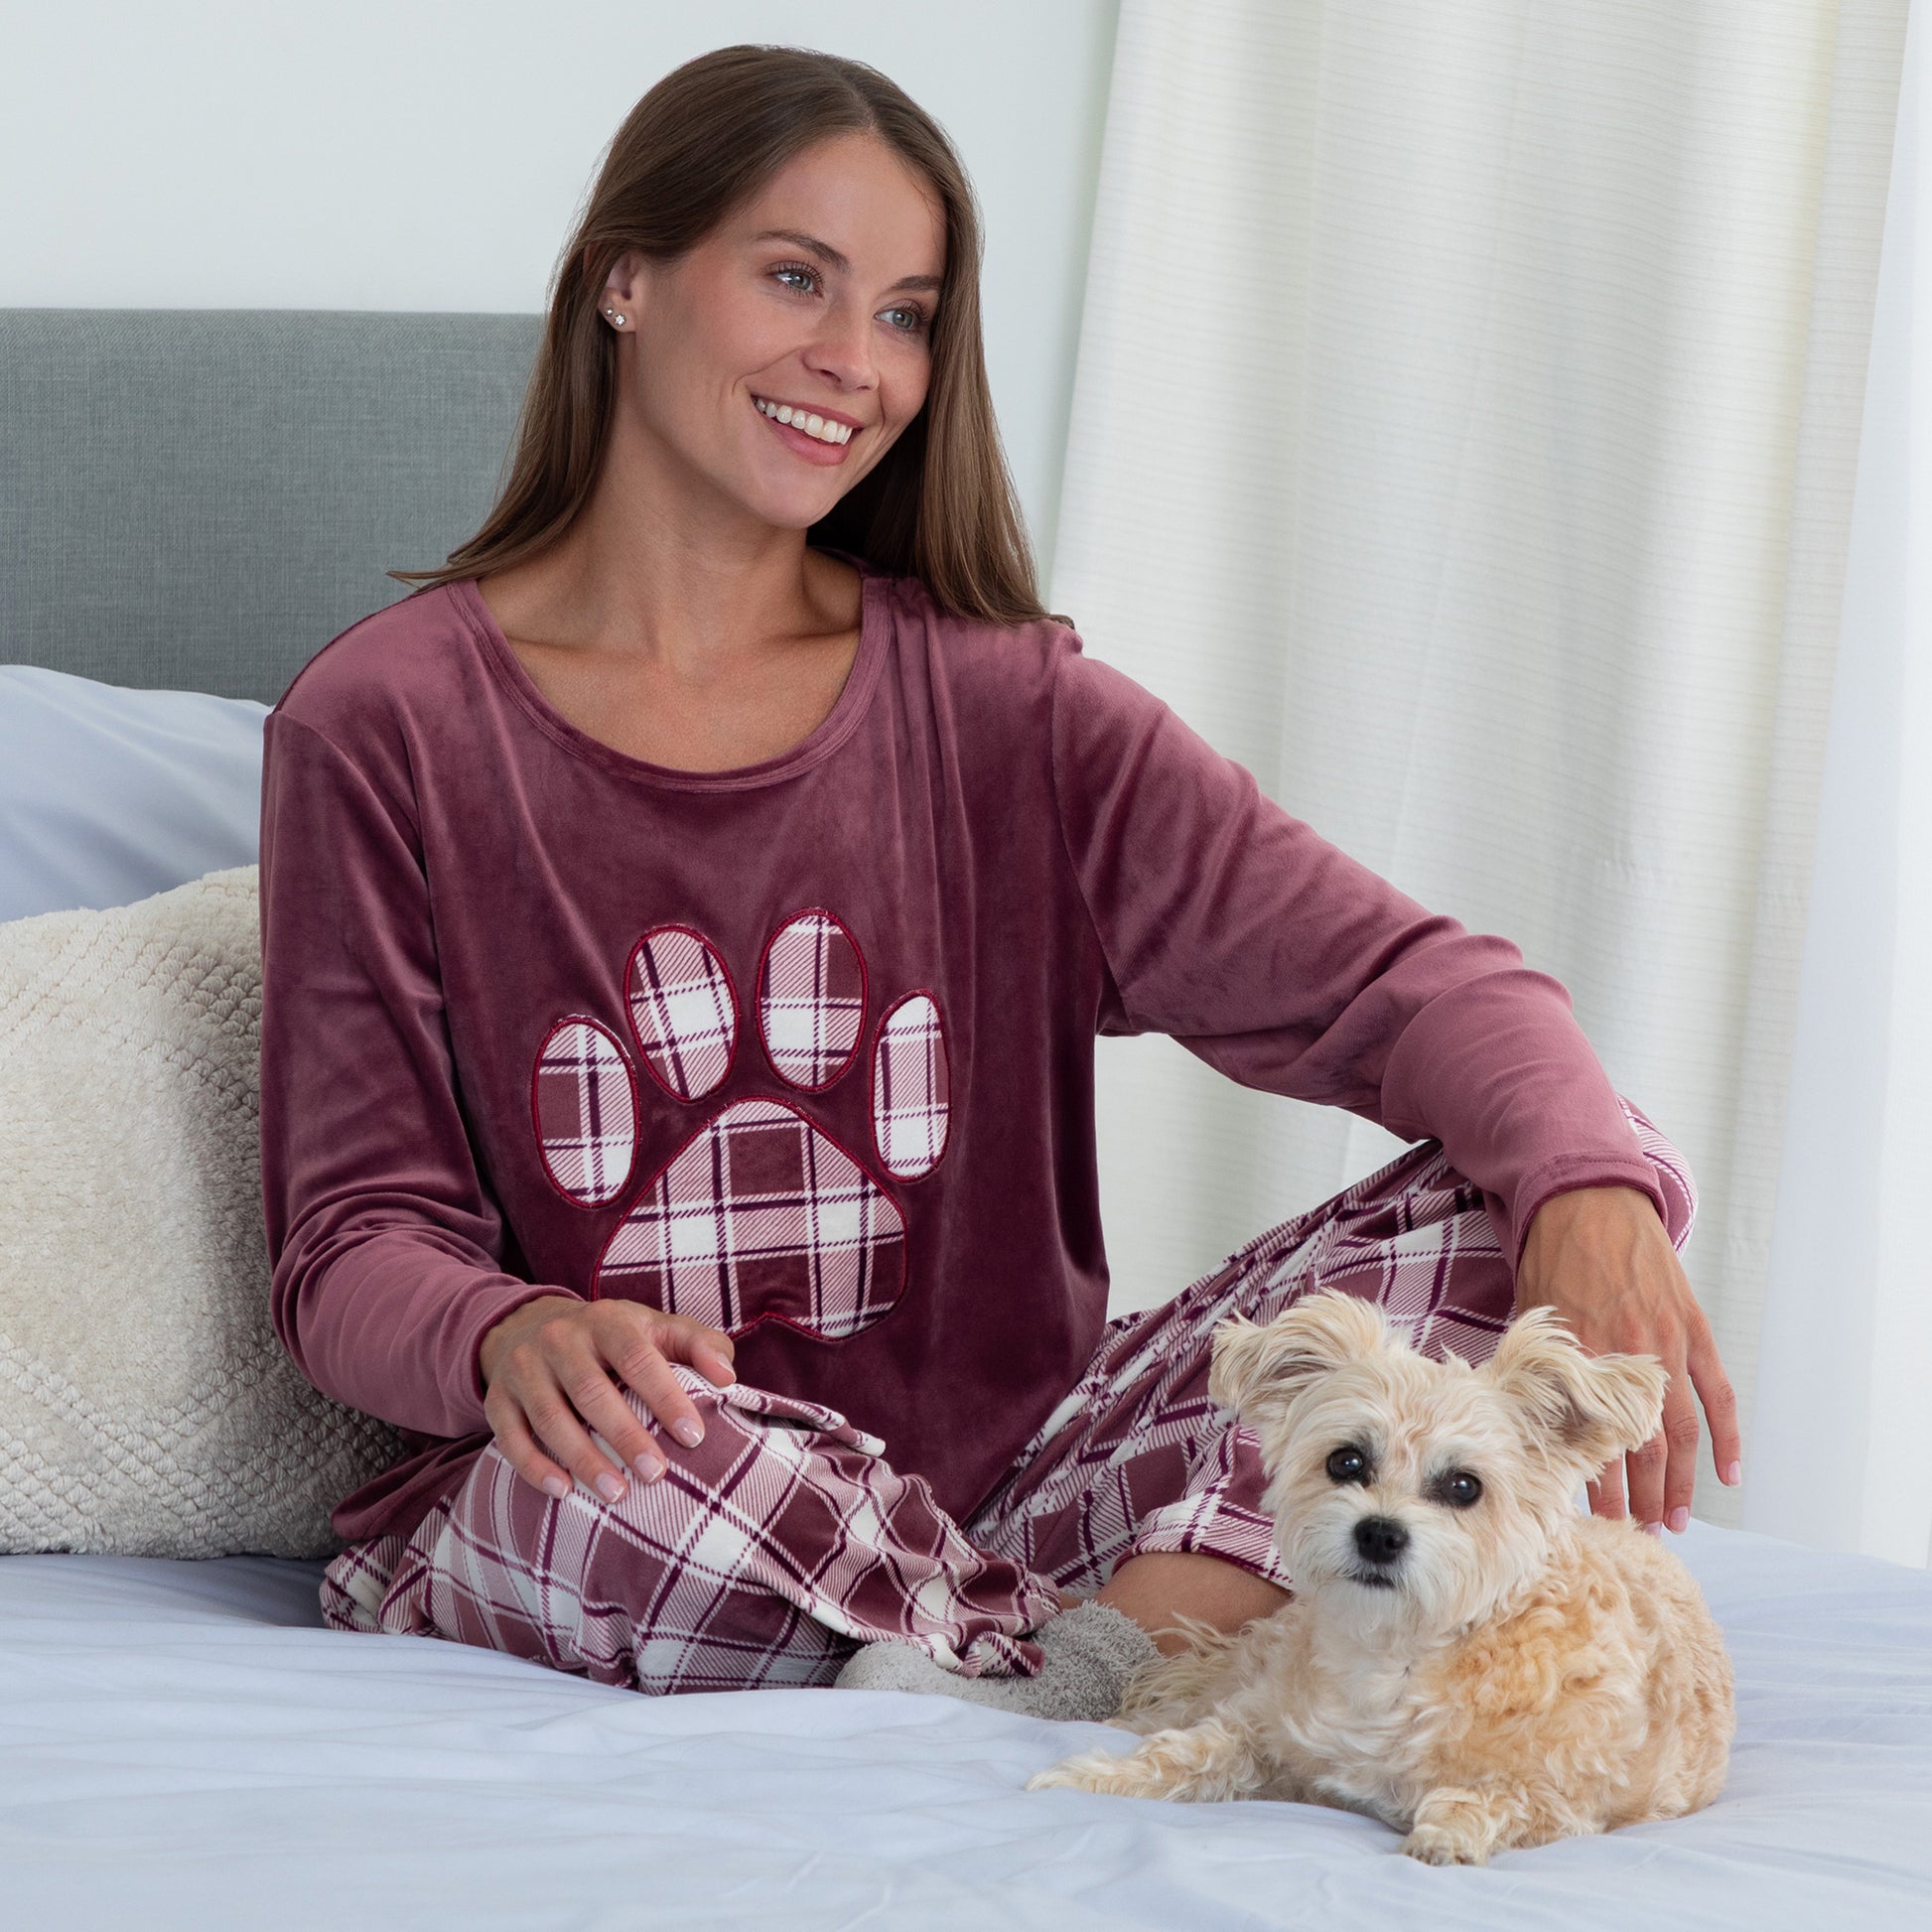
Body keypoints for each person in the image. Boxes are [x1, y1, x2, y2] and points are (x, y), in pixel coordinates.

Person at [258, 43, 1741, 1721]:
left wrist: (1586, 1194)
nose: (852, 361)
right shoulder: (379, 724)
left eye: (905, 313)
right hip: (656, 1489)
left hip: (1029, 1494)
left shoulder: (1009, 710)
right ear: (624, 276)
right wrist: (503, 1332)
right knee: (631, 1470)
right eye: (795, 278)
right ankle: (1116, 1653)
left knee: (1554, 1164)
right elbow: (350, 1240)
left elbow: (1418, 986)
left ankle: (1015, 1669)